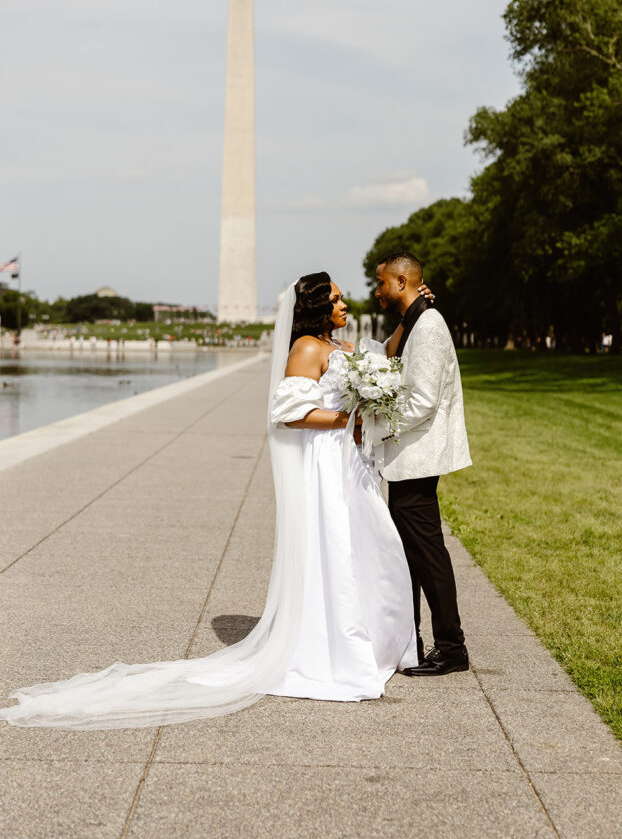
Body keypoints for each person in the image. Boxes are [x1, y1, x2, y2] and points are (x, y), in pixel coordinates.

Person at [0, 271, 429, 730]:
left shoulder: (343, 347)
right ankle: (338, 647)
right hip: (328, 464)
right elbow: (290, 414)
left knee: (372, 546)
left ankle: (376, 640)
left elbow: (382, 356)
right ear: (317, 307)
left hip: (352, 464)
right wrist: (348, 419)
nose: (346, 306)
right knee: (338, 549)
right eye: (338, 300)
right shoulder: (306, 349)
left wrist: (412, 313)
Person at [373, 252, 471, 676]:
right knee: (410, 554)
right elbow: (392, 353)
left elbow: (424, 402)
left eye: (379, 283)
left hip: (416, 457)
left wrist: (373, 421)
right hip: (407, 458)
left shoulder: (429, 325)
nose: (375, 291)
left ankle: (452, 648)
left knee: (428, 556)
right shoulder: (416, 320)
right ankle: (411, 640)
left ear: (399, 281)